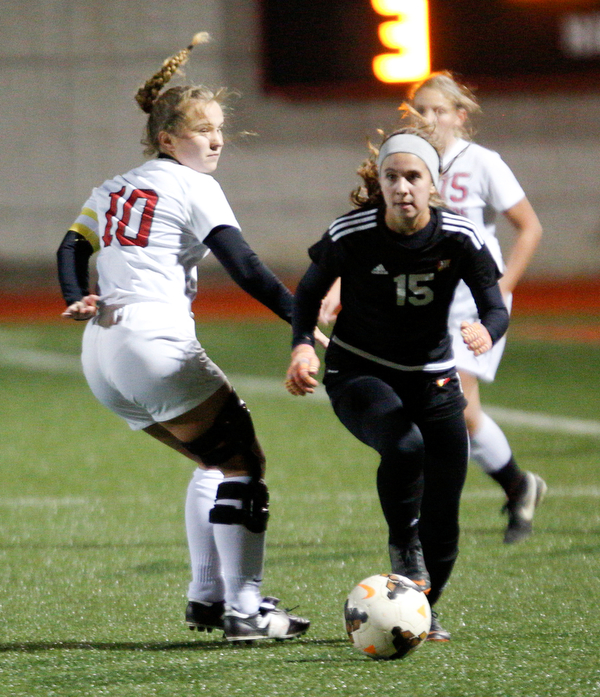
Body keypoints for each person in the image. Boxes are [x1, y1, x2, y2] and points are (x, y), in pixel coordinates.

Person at [56, 33, 317, 642]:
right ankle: (245, 611)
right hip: (152, 341)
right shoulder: (193, 185)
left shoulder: (116, 184)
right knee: (244, 465)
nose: (218, 140)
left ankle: (208, 596)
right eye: (204, 130)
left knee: (214, 461)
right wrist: (302, 323)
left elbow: (72, 246)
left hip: (101, 354)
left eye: (221, 128)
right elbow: (246, 268)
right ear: (168, 139)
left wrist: (75, 295)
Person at [285, 126, 510, 641]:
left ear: (434, 185)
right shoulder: (352, 233)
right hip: (359, 370)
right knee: (405, 447)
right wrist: (302, 344)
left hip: (432, 378)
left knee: (446, 512)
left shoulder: (460, 237)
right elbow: (307, 292)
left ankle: (422, 612)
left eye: (413, 176)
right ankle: (402, 546)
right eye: (392, 177)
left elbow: (495, 308)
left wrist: (485, 331)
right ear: (381, 184)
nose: (402, 187)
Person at [408, 71, 546, 544]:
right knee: (442, 405)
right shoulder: (409, 162)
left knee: (455, 401)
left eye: (437, 110)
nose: (427, 118)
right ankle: (518, 485)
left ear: (460, 117)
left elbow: (529, 227)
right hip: (428, 300)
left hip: (473, 303)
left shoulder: (482, 162)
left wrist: (500, 289)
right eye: (418, 109)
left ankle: (430, 514)